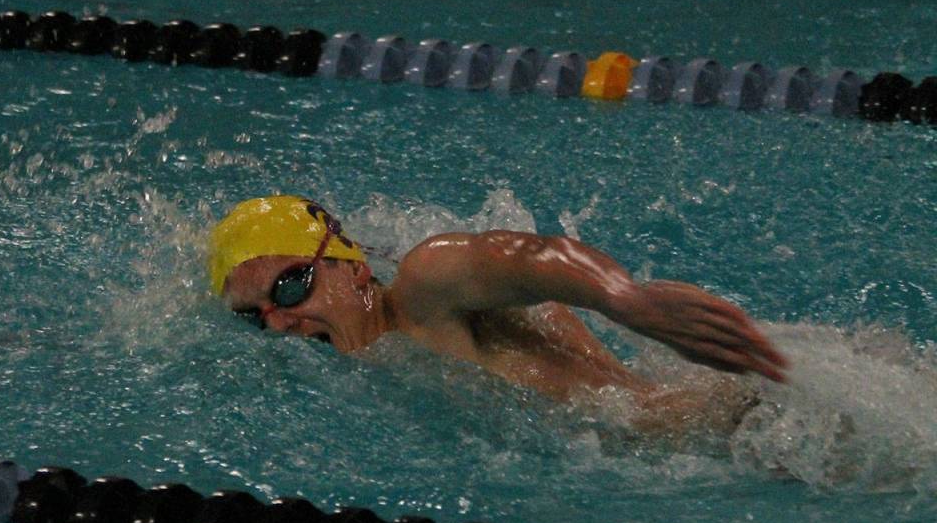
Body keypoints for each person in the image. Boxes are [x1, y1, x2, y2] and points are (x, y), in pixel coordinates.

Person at [208, 195, 789, 434]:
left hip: (744, 433)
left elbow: (528, 258)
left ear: (352, 266)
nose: (278, 322)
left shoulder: (422, 295)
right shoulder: (384, 353)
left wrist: (625, 298)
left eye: (289, 289)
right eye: (253, 316)